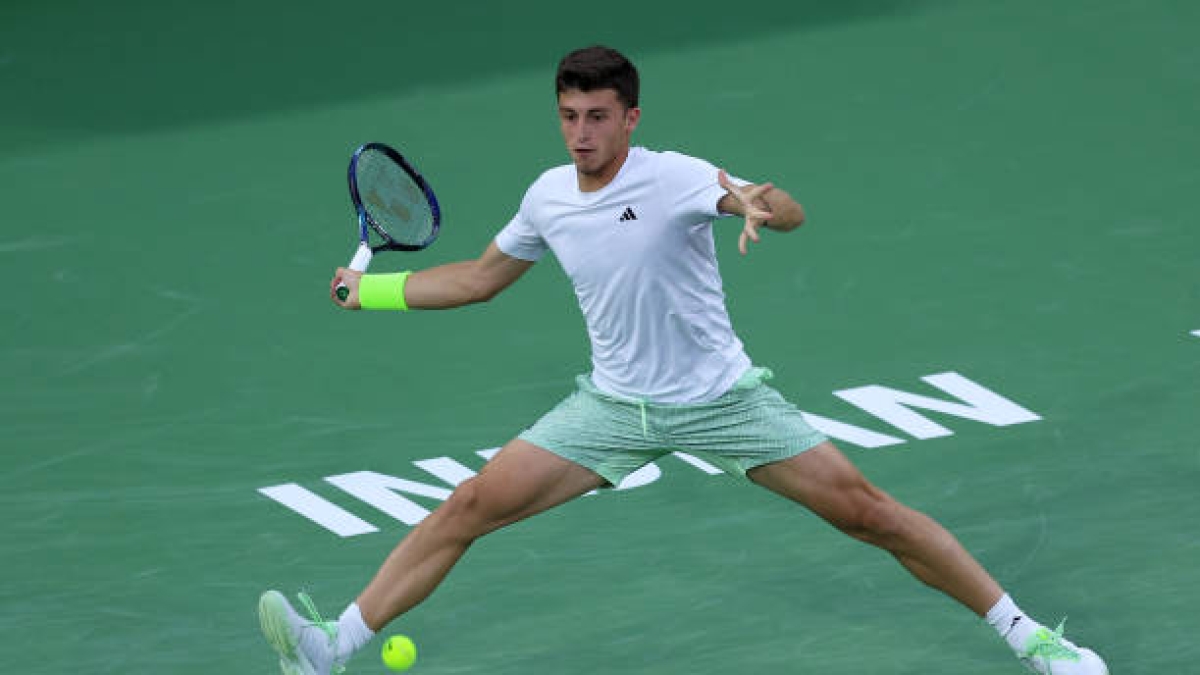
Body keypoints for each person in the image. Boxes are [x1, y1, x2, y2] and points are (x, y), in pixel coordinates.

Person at [258, 45, 1108, 675]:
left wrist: (757, 203)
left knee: (870, 513)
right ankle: (330, 646)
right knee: (469, 503)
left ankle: (1031, 637)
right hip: (611, 408)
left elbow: (782, 207)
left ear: (631, 118)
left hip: (721, 399)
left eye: (598, 116)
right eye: (569, 115)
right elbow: (481, 279)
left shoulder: (676, 177)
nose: (582, 132)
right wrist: (372, 293)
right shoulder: (547, 197)